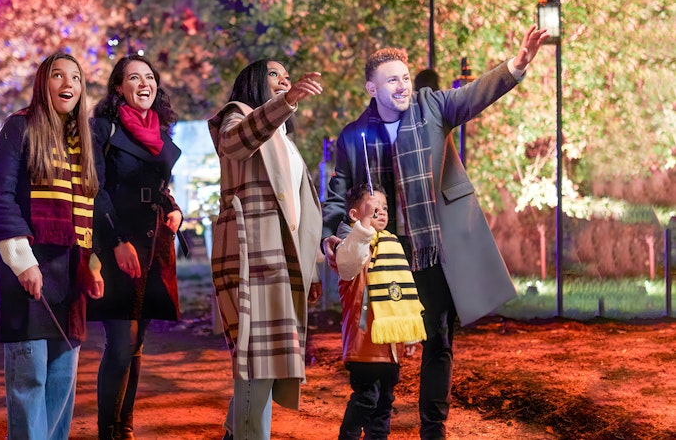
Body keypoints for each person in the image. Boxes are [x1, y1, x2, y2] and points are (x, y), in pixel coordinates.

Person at [321, 25, 550, 439]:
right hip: (385, 255)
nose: (403, 86)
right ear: (372, 89)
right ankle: (376, 427)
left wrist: (516, 65)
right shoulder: (354, 136)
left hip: (430, 248)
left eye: (405, 77)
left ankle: (433, 429)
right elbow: (338, 192)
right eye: (392, 80)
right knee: (383, 346)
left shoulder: (432, 107)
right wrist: (331, 235)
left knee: (439, 338)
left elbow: (475, 95)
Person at [0, 52, 103, 440]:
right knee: (29, 378)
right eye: (58, 75)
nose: (69, 84)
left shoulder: (82, 141)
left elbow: (90, 210)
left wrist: (92, 266)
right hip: (29, 271)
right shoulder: (19, 128)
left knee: (62, 382)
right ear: (42, 83)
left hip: (70, 278)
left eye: (76, 78)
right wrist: (22, 262)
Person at [207, 59, 324, 440]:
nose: (285, 79)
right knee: (256, 361)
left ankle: (237, 433)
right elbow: (233, 143)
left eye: (287, 76)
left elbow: (298, 214)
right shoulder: (237, 115)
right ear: (254, 81)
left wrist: (311, 269)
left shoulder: (285, 142)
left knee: (269, 363)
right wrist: (286, 101)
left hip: (282, 263)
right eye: (275, 74)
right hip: (251, 258)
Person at [86, 54, 182, 440]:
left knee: (137, 342)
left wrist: (173, 208)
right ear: (118, 87)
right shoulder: (103, 129)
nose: (145, 83)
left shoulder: (160, 132)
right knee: (121, 343)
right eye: (134, 78)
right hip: (116, 242)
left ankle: (124, 427)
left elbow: (158, 187)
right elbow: (95, 189)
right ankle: (107, 431)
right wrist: (116, 242)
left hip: (153, 243)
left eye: (149, 77)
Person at [334, 182, 426, 440]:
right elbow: (348, 263)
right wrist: (364, 227)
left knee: (384, 404)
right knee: (366, 399)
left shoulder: (392, 246)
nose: (382, 212)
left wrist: (409, 335)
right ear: (355, 215)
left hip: (390, 348)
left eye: (384, 207)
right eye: (373, 208)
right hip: (364, 345)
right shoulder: (353, 246)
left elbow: (401, 295)